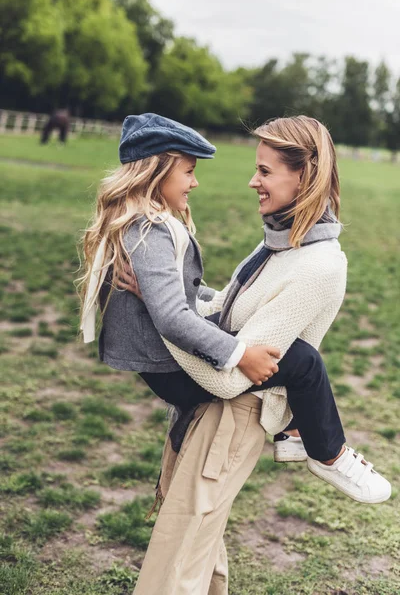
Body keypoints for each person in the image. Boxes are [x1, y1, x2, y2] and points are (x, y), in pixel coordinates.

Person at [79, 113, 391, 595]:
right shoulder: (281, 245)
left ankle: (326, 450)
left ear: (304, 176)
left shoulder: (317, 264)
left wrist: (163, 316)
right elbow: (224, 308)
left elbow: (229, 378)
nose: (252, 181)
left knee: (179, 555)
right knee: (199, 548)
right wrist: (167, 307)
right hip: (209, 401)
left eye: (265, 171)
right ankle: (310, 438)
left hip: (232, 410)